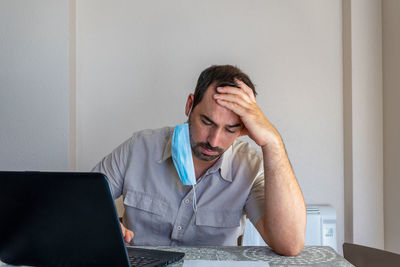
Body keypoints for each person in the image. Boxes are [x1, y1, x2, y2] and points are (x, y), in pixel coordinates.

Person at [92, 65, 306, 256]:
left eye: (230, 129)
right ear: (190, 105)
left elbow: (289, 245)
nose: (214, 140)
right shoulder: (139, 148)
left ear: (243, 129)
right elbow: (77, 204)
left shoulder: (248, 166)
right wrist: (102, 222)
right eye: (206, 122)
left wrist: (272, 143)